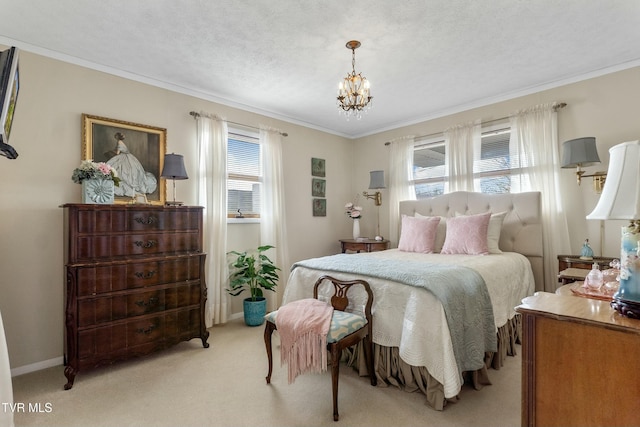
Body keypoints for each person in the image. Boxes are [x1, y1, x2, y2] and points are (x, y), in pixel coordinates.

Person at [106, 132, 157, 198]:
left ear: (117, 137)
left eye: (116, 136)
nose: (115, 138)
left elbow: (118, 153)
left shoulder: (119, 142)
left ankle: (126, 185)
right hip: (127, 156)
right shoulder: (121, 142)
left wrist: (111, 152)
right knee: (123, 171)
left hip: (124, 157)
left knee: (122, 171)